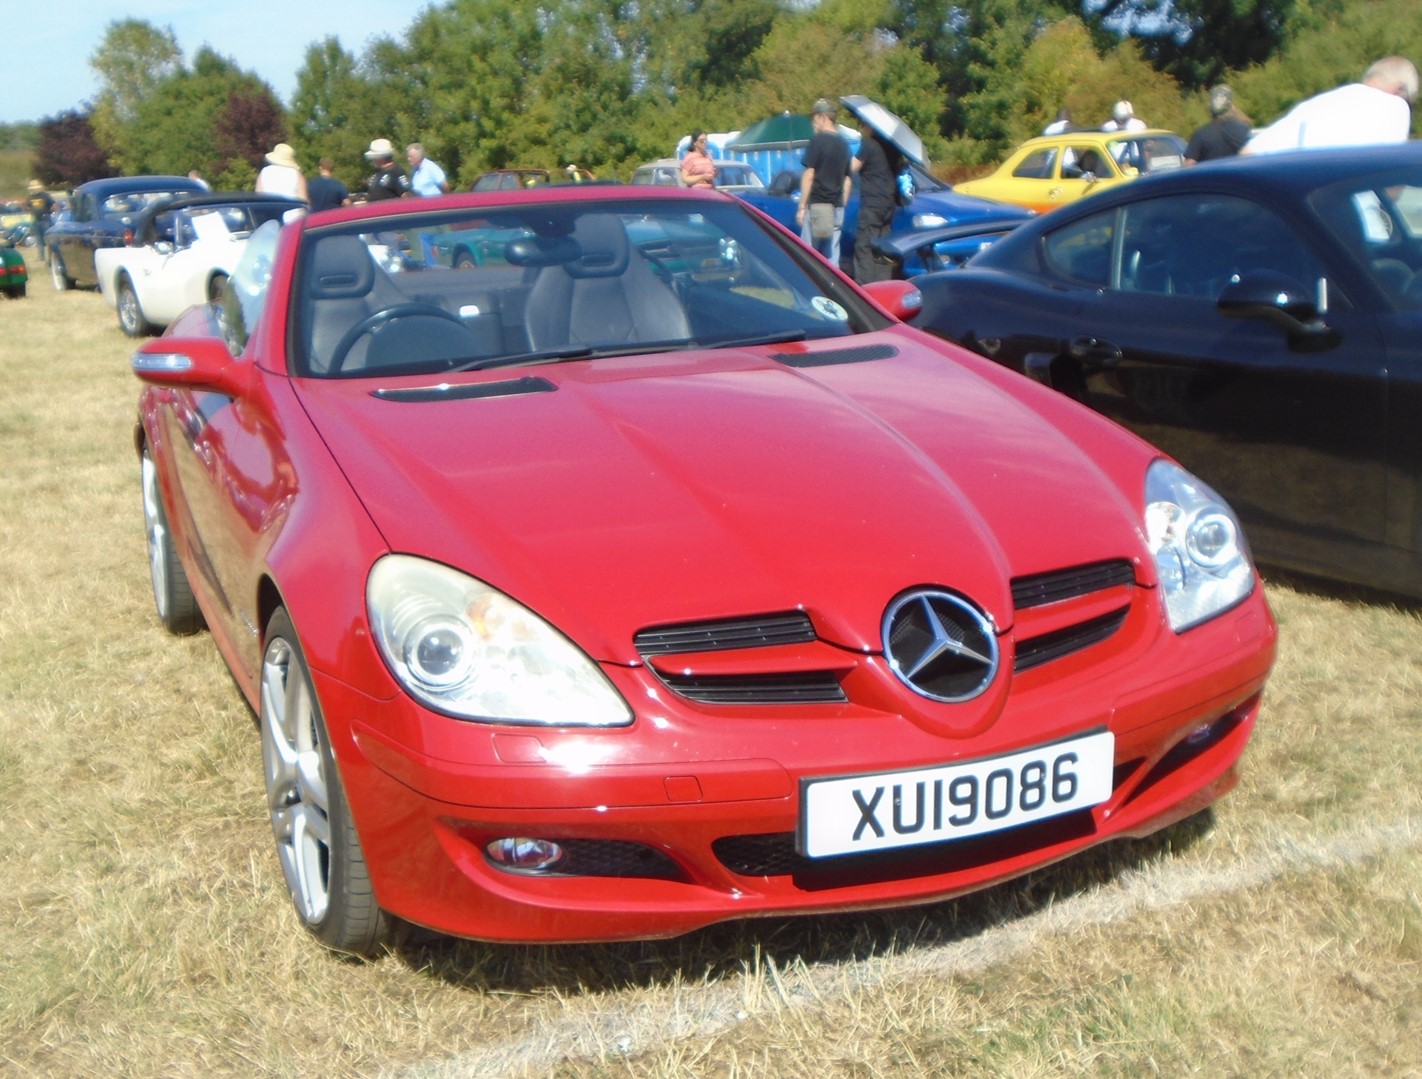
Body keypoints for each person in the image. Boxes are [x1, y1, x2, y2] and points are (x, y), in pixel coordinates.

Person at [1243, 56, 1418, 154]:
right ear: (1400, 89)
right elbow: (1392, 188)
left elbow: (1248, 154)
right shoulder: (1396, 106)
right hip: (1354, 216)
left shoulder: (1314, 106)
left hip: (1303, 213)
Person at [795, 98, 852, 264]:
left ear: (823, 117)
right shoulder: (844, 144)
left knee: (809, 254)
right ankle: (833, 287)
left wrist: (802, 206)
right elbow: (847, 179)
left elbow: (809, 174)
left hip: (818, 206)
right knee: (831, 255)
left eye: (815, 117)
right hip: (837, 207)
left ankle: (809, 288)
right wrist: (842, 203)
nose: (813, 122)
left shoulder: (818, 141)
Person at [850, 122, 899, 284]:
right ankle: (883, 284)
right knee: (882, 247)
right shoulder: (893, 147)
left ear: (871, 127)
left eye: (864, 125)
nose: (862, 128)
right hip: (889, 202)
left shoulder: (869, 144)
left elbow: (852, 167)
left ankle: (865, 288)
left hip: (872, 201)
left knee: (863, 246)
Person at [1184, 85, 1252, 164]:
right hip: (1238, 176)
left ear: (1210, 107)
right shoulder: (1243, 130)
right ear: (1231, 107)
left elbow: (1188, 165)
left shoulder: (1200, 134)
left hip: (1212, 176)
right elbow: (1253, 159)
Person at [25, 180, 54, 256]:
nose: (34, 189)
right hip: (35, 220)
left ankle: (51, 256)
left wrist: (50, 211)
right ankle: (41, 256)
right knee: (38, 239)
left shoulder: (45, 195)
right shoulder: (30, 197)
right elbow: (27, 206)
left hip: (45, 219)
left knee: (48, 239)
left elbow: (53, 204)